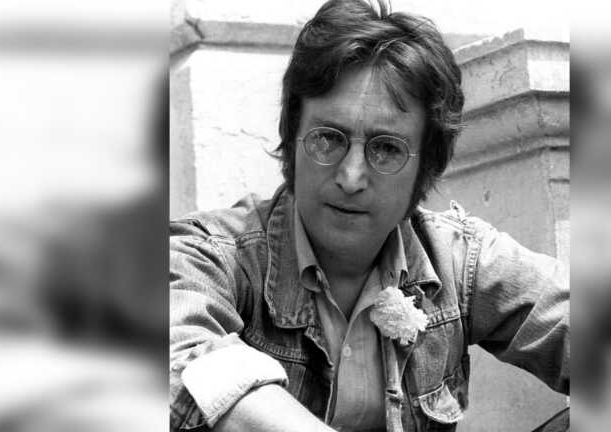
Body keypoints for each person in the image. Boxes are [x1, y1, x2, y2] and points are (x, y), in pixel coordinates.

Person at [169, 1, 569, 431]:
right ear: (292, 138)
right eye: (328, 139)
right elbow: (179, 359)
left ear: (426, 167)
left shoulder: (459, 260)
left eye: (386, 148)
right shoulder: (212, 256)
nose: (351, 177)